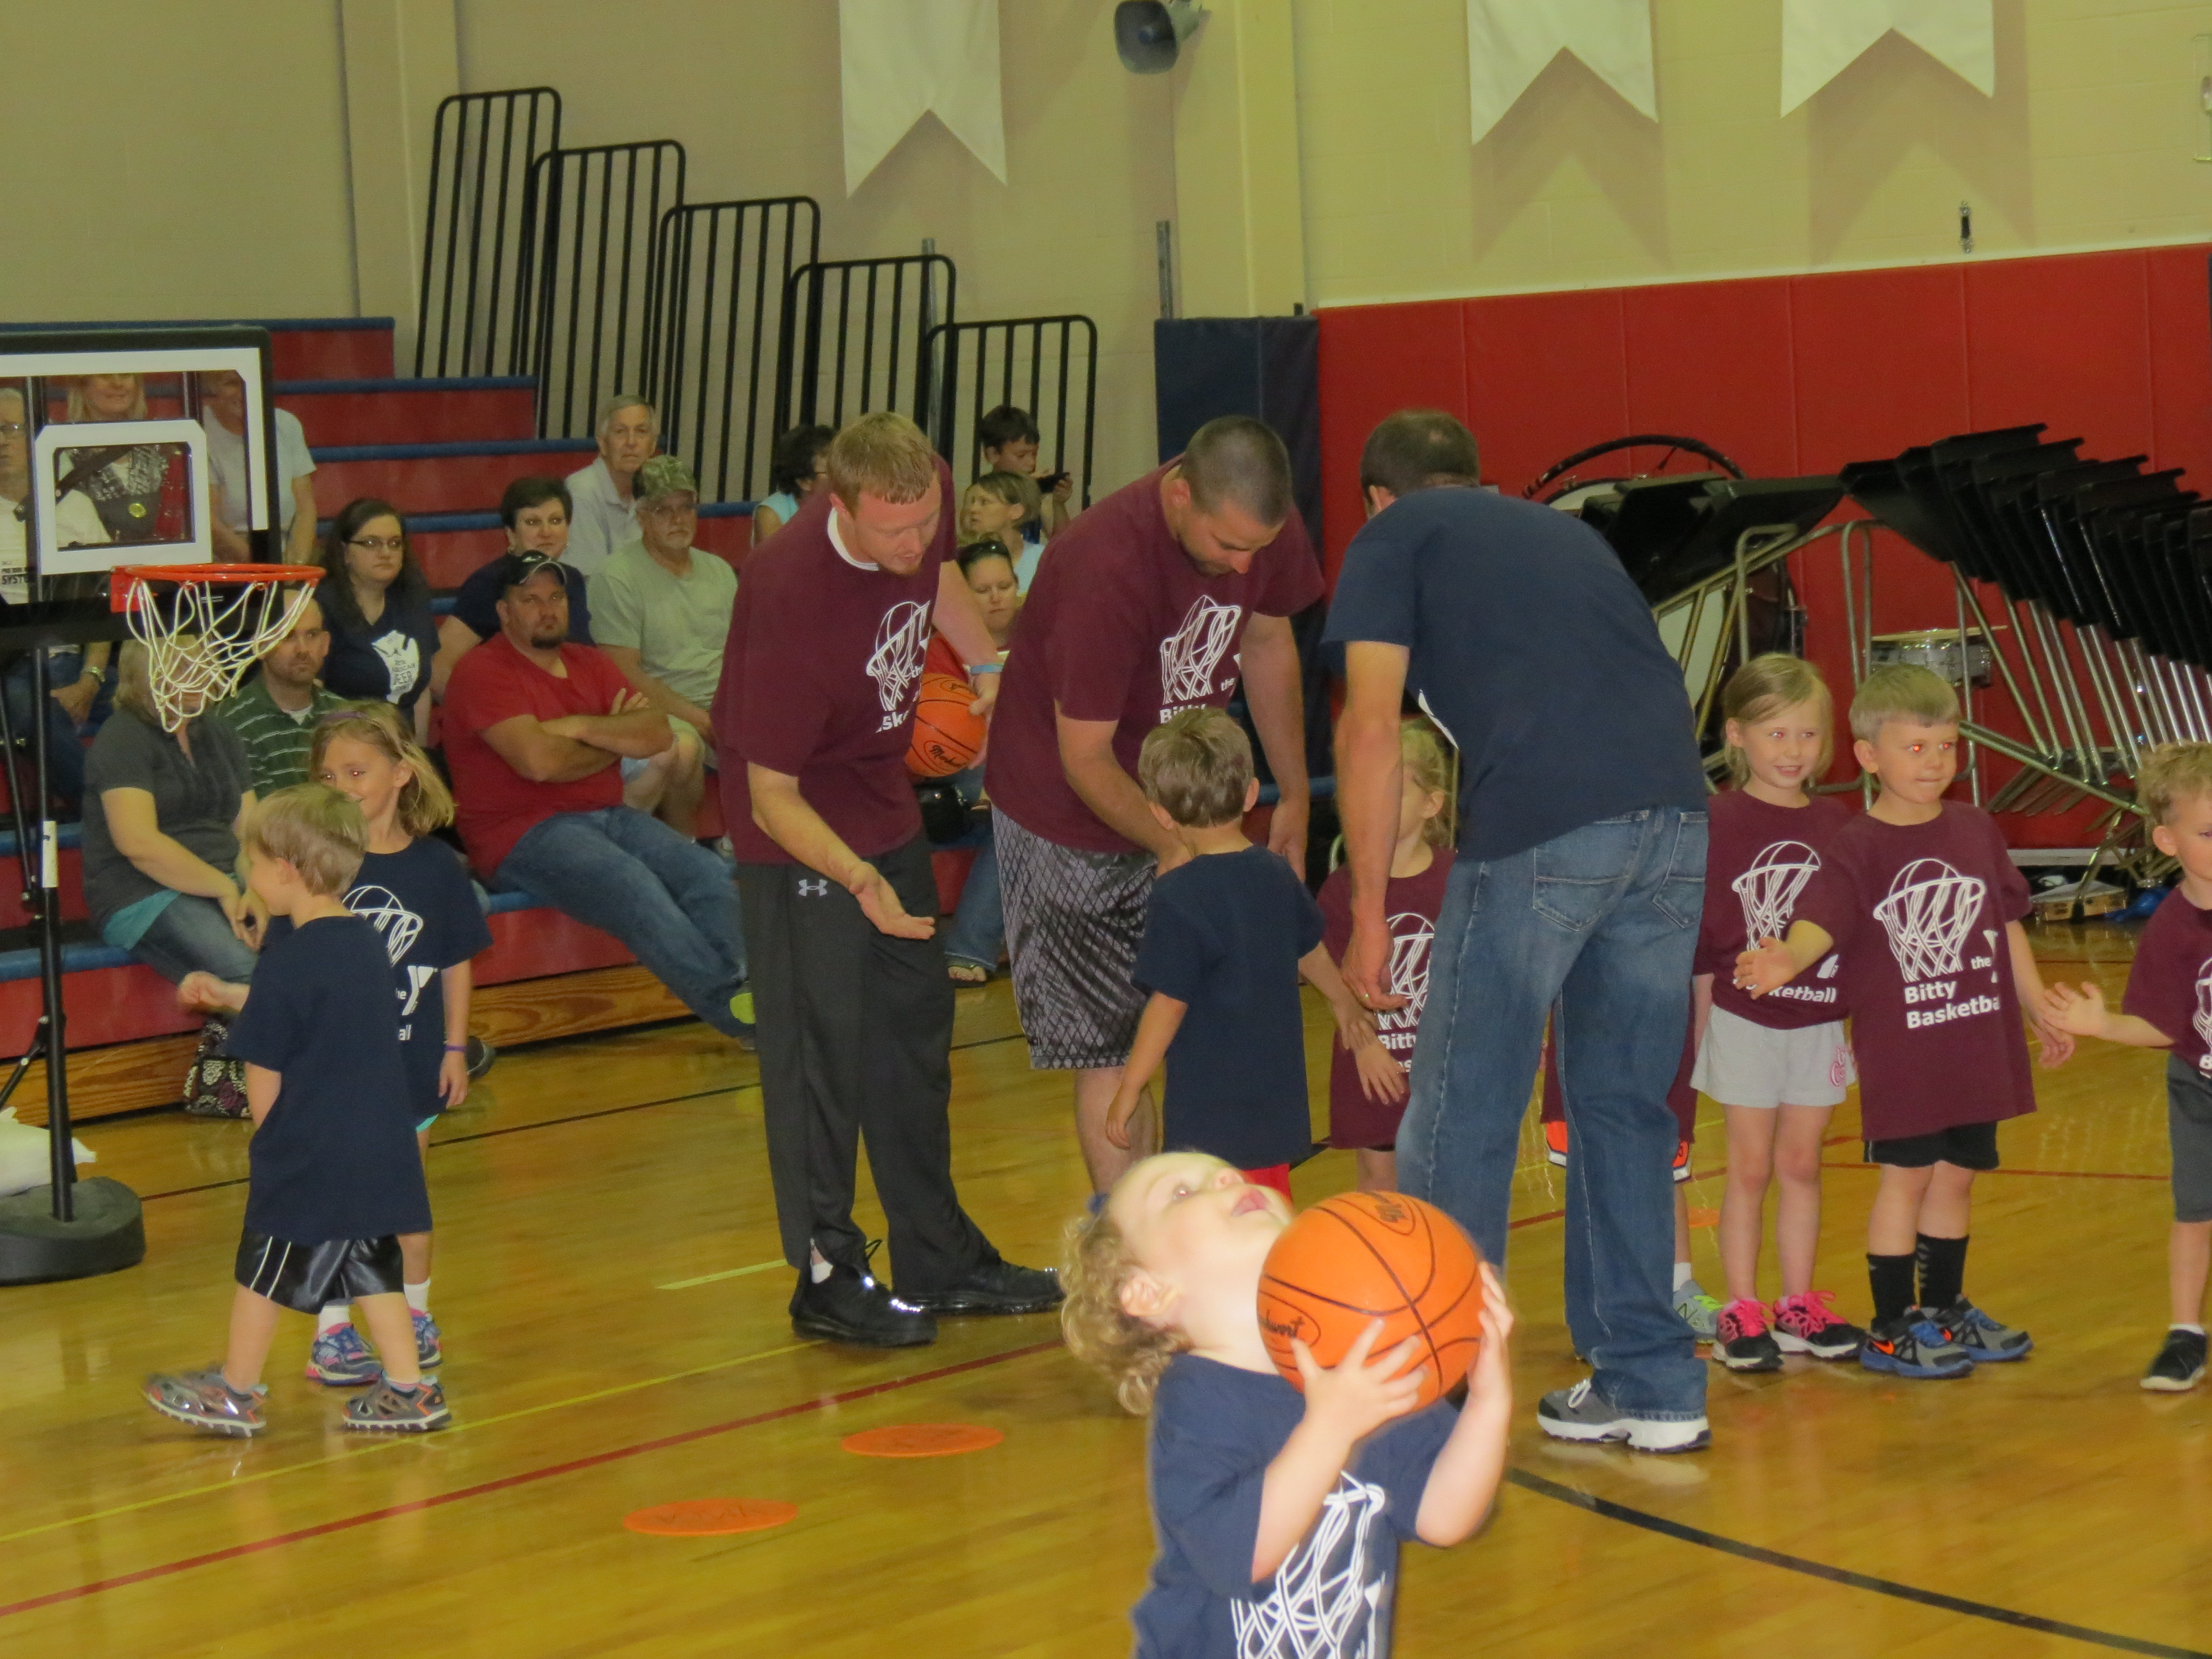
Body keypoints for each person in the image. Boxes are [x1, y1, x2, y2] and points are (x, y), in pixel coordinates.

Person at [1326, 408, 1710, 1453]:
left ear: (1377, 496)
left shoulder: (1394, 534)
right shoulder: (1567, 531)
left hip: (1544, 828)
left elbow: (1368, 724)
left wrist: (1368, 917)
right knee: (1624, 1108)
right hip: (1676, 818)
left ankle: (1443, 1381)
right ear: (1478, 476)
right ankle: (1652, 1384)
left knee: (1460, 1108)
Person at [715, 411, 1060, 1348]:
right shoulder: (785, 592)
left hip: (881, 799)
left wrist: (985, 663)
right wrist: (858, 880)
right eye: (893, 531)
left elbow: (942, 575)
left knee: (913, 1040)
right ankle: (827, 1270)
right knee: (821, 1058)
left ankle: (938, 1256)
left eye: (924, 523)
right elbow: (770, 792)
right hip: (798, 838)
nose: (914, 544)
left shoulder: (920, 492)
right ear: (840, 503)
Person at [987, 415, 1323, 1197]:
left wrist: (1296, 793)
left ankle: (1194, 1229)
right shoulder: (1103, 564)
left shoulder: (1257, 519)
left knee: (1203, 1026)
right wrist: (1175, 850)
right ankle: (1127, 1243)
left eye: (1257, 551)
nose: (1244, 566)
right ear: (1179, 496)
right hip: (1067, 817)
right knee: (1110, 1045)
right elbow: (1085, 759)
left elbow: (1268, 644)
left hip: (1181, 802)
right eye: (1229, 547)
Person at [1736, 664, 2072, 1380]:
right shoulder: (1858, 845)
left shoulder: (1975, 828)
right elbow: (1818, 921)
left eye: (1947, 746)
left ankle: (1944, 1308)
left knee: (1957, 1179)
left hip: (1976, 1040)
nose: (1935, 762)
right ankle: (1892, 1326)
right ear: (1868, 756)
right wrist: (1785, 961)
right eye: (1915, 748)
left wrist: (2037, 1001)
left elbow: (2005, 921)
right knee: (1907, 1181)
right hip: (1907, 1053)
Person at [1060, 1151, 1515, 1658]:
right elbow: (1241, 1555)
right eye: (1183, 1192)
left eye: (1227, 1171)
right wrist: (1329, 1430)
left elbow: (1444, 1517)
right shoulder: (1196, 1403)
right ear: (1148, 1293)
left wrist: (1487, 1403)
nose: (1229, 1176)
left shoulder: (1360, 1371)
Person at [183, 706, 492, 1387]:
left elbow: (271, 1038)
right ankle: (390, 1373)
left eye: (357, 770)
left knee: (350, 1235)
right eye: (330, 774)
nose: (344, 785)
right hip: (362, 1102)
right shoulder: (343, 930)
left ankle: (238, 1388)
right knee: (371, 1231)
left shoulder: (421, 877)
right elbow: (288, 1003)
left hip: (356, 1103)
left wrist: (451, 1045)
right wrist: (234, 996)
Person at [141, 785, 448, 1437]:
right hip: (380, 1143)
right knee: (373, 1265)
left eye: (251, 866)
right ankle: (410, 1389)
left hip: (312, 1151)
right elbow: (321, 1014)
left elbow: (267, 1065)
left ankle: (237, 1388)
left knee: (264, 1268)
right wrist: (233, 993)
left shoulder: (287, 960)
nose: (248, 880)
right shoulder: (364, 943)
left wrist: (270, 1144)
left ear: (285, 870)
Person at [444, 551, 753, 1046]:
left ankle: (756, 991)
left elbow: (655, 736)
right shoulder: (483, 672)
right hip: (524, 834)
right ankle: (746, 1019)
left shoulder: (591, 662)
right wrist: (611, 740)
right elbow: (540, 763)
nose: (547, 609)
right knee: (635, 887)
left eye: (556, 598)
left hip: (608, 815)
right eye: (530, 600)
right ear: (504, 612)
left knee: (705, 872)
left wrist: (583, 727)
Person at [1101, 710, 1383, 1197]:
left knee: (1218, 1217)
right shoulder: (1274, 873)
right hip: (1277, 1093)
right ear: (1252, 794)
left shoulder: (1178, 894)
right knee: (1266, 1207)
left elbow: (1168, 1003)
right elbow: (1308, 946)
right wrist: (1340, 999)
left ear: (1161, 813)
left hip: (1211, 1104)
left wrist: (1130, 1086)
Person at [1682, 655, 1866, 1374]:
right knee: (1751, 1166)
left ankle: (1798, 1303)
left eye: (1808, 736)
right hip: (1744, 1019)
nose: (1794, 752)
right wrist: (1701, 1021)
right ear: (1737, 736)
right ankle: (1741, 1306)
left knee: (1801, 1163)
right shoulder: (1717, 821)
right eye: (1777, 734)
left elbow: (1855, 923)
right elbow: (1700, 932)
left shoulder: (1838, 823)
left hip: (1818, 1017)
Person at [2044, 743, 2212, 1392]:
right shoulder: (2171, 928)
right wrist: (2101, 1025)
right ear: (2167, 840)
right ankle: (2184, 1334)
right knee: (2194, 1213)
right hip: (2198, 1087)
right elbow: (2163, 1027)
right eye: (2207, 831)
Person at [84, 640, 262, 1113]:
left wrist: (256, 892)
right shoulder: (122, 737)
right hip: (141, 890)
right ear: (143, 674)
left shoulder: (219, 732)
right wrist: (226, 889)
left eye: (203, 662)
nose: (198, 673)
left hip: (225, 879)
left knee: (308, 952)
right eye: (182, 665)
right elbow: (139, 844)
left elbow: (250, 832)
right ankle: (290, 1090)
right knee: (248, 970)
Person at [1317, 719, 1452, 1193]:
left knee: (1444, 1177)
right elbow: (1327, 974)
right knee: (1380, 1176)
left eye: (1394, 788)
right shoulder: (1342, 889)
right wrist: (1365, 1043)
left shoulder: (1459, 880)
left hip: (1445, 1068)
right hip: (1376, 1065)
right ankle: (1386, 1266)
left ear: (1432, 803)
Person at [588, 454, 734, 839]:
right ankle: (687, 848)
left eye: (686, 507)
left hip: (724, 703)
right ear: (641, 515)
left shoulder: (718, 570)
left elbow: (743, 655)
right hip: (658, 707)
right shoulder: (616, 576)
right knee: (683, 747)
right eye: (663, 510)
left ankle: (753, 850)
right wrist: (703, 720)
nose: (678, 519)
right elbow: (624, 671)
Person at [0, 385, 110, 814]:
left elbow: (107, 603)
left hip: (74, 658)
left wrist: (91, 678)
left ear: (35, 439)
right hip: (10, 664)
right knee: (30, 713)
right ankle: (102, 814)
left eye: (12, 429)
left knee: (159, 693)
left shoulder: (76, 507)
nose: (2, 441)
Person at [935, 539, 1021, 985]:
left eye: (1004, 585)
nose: (995, 597)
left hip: (1024, 768)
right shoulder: (940, 648)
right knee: (1020, 807)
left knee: (1020, 811)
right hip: (958, 765)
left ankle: (971, 946)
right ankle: (971, 945)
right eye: (983, 589)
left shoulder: (1043, 635)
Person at [433, 476, 593, 697]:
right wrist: (487, 716)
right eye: (532, 522)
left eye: (556, 521)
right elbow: (439, 667)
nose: (546, 532)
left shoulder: (572, 579)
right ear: (511, 534)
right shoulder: (490, 582)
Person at [314, 498, 440, 742]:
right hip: (343, 743)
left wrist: (420, 756)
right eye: (371, 543)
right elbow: (311, 696)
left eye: (395, 544)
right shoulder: (321, 606)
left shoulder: (412, 596)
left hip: (401, 744)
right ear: (344, 553)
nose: (386, 553)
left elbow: (421, 689)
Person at [208, 599, 346, 795]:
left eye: (312, 635)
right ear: (260, 645)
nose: (303, 649)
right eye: (288, 636)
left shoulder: (346, 717)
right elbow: (261, 817)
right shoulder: (230, 722)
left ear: (325, 645)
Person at [198, 368, 317, 563]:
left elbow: (306, 508)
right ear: (213, 387)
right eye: (232, 383)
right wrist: (265, 570)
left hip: (283, 555)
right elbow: (210, 523)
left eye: (252, 381)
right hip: (228, 562)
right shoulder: (200, 430)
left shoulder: (286, 424)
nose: (243, 391)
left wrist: (297, 565)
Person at [64, 374, 186, 544]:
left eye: (125, 376)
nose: (118, 383)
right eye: (105, 376)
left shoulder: (161, 451)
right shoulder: (64, 457)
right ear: (83, 386)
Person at [564, 394, 659, 578]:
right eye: (620, 432)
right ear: (603, 444)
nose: (631, 442)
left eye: (641, 432)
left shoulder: (655, 490)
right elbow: (592, 581)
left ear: (653, 445)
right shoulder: (582, 491)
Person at [978, 404, 1073, 539]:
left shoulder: (1038, 495)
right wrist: (1023, 492)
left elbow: (1063, 544)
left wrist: (1058, 504)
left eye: (1034, 454)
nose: (1031, 463)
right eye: (1021, 456)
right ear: (993, 454)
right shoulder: (980, 494)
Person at [750, 423, 833, 546]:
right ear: (805, 481)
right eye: (832, 471)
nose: (843, 477)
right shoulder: (772, 515)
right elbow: (772, 562)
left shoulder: (846, 507)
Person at [961, 470, 1044, 591]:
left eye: (984, 502)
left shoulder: (1042, 560)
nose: (973, 509)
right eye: (973, 502)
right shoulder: (959, 559)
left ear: (1016, 512)